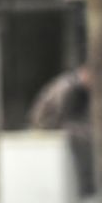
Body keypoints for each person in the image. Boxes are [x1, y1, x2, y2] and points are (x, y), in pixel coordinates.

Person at [28, 65, 93, 195]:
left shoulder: (79, 88)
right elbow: (57, 114)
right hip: (47, 123)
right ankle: (86, 182)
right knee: (83, 136)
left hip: (63, 121)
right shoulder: (66, 86)